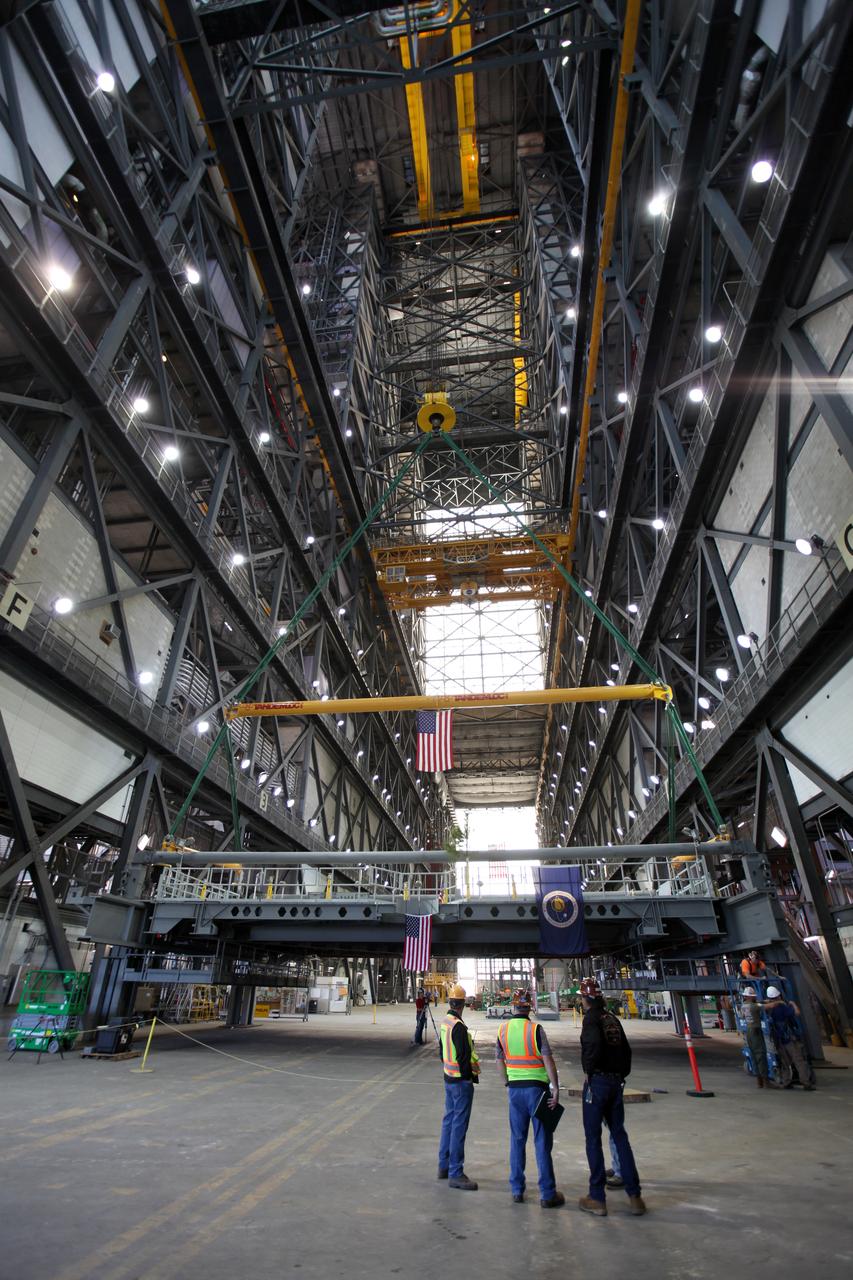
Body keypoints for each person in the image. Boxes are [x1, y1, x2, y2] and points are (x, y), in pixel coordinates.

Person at [577, 976, 646, 1217]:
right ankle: (635, 1196)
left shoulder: (591, 1020)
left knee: (592, 1138)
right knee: (619, 1136)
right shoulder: (612, 1018)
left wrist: (588, 1071)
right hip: (617, 1082)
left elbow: (592, 1046)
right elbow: (626, 1051)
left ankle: (597, 1197)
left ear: (585, 999)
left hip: (598, 1083)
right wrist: (620, 1075)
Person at [494, 988, 565, 1208]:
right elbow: (548, 1060)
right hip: (537, 1091)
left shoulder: (503, 1030)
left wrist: (507, 1082)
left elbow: (499, 1061)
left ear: (513, 1006)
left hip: (515, 1090)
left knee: (517, 1140)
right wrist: (555, 1087)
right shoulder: (536, 1029)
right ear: (529, 1007)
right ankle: (547, 1194)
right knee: (542, 1141)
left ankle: (517, 1189)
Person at [438, 983, 480, 1189]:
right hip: (460, 1083)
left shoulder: (445, 1022)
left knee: (448, 1121)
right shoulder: (459, 1027)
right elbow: (464, 1057)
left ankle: (443, 1166)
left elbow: (441, 1052)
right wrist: (468, 1078)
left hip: (448, 1078)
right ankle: (456, 1172)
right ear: (463, 1004)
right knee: (458, 1126)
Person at [764, 986, 815, 1090]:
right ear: (778, 996)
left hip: (777, 1039)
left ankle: (786, 1082)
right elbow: (797, 1013)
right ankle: (805, 1082)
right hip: (788, 1039)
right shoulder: (782, 1008)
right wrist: (793, 1004)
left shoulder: (768, 1009)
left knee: (785, 1062)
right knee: (799, 1060)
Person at [741, 987, 769, 1087]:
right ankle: (766, 1081)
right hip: (756, 1031)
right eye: (752, 996)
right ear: (749, 996)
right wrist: (778, 1002)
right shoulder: (754, 1006)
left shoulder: (743, 1006)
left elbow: (743, 1016)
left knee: (753, 1054)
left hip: (749, 1031)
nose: (754, 997)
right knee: (760, 1054)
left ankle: (759, 1081)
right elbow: (767, 1007)